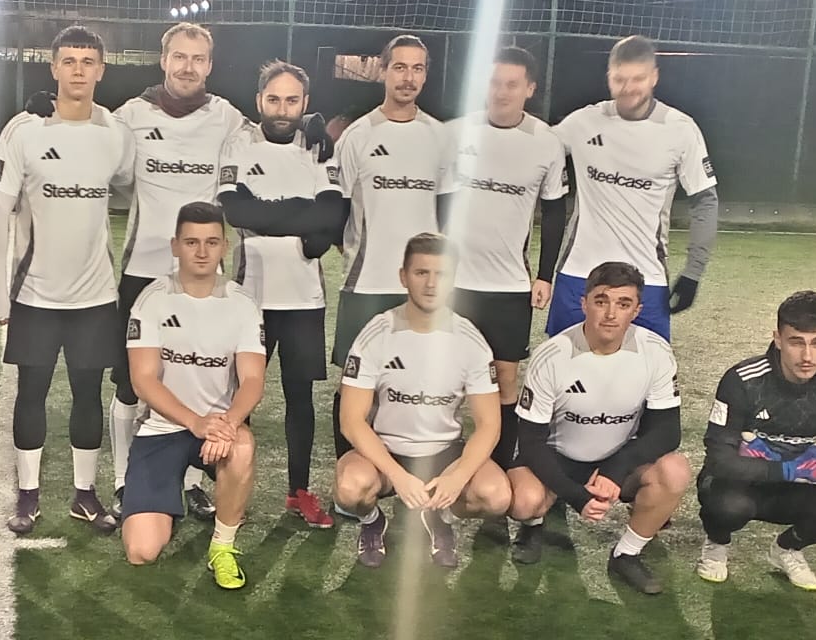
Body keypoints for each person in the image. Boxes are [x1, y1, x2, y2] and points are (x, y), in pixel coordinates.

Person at [0, 23, 137, 536]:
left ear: (101, 71)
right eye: (68, 61)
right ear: (53, 68)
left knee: (87, 395)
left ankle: (84, 495)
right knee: (31, 394)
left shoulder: (115, 133)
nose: (78, 70)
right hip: (35, 295)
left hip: (95, 296)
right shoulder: (24, 130)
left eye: (87, 62)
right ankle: (27, 496)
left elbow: (132, 182)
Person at [107, 22, 248, 513]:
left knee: (195, 381)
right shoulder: (130, 115)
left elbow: (271, 142)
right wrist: (45, 114)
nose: (188, 67)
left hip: (202, 276)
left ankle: (188, 482)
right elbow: (94, 143)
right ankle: (124, 479)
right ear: (163, 60)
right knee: (131, 383)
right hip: (144, 270)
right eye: (180, 57)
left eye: (198, 58)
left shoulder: (227, 118)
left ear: (210, 65)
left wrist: (318, 131)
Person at [437, 45, 569, 541]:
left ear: (529, 88)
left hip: (510, 286)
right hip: (456, 285)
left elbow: (554, 211)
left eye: (512, 84)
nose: (501, 92)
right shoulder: (457, 134)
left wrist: (545, 273)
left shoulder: (547, 143)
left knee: (505, 386)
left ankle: (490, 482)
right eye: (494, 82)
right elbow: (440, 204)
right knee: (447, 382)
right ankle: (441, 480)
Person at [509, 260, 692, 595]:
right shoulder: (552, 355)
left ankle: (626, 554)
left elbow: (668, 431)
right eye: (601, 300)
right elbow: (531, 441)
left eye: (623, 304)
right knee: (524, 501)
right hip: (558, 457)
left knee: (675, 471)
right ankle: (533, 525)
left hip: (617, 460)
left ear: (636, 310)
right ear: (584, 304)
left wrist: (615, 470)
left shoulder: (655, 352)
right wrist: (576, 496)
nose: (610, 314)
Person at [333, 233, 511, 570]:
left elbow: (489, 425)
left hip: (445, 453)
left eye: (441, 274)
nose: (431, 284)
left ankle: (440, 516)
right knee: (350, 488)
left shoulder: (470, 341)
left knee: (497, 496)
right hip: (386, 452)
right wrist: (397, 475)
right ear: (403, 277)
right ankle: (372, 521)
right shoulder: (377, 333)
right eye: (421, 273)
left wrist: (458, 477)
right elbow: (351, 421)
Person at [217, 59, 345, 527]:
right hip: (248, 298)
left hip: (304, 300)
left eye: (292, 100)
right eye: (273, 99)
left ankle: (299, 493)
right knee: (239, 399)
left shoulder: (317, 147)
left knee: (300, 399)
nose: (282, 109)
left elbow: (331, 215)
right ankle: (232, 488)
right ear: (259, 101)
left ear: (304, 103)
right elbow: (235, 211)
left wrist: (268, 213)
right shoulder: (239, 143)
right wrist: (300, 213)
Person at [121, 203, 267, 590]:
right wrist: (195, 422)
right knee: (141, 551)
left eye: (211, 242)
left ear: (225, 246)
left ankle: (223, 546)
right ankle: (170, 496)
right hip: (164, 428)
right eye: (191, 242)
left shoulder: (242, 304)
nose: (202, 252)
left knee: (242, 447)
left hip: (219, 429)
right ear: (175, 246)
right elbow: (143, 380)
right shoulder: (152, 300)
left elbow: (253, 379)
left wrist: (228, 424)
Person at [548, 35, 719, 342]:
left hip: (646, 279)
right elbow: (533, 152)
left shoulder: (680, 130)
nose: (628, 88)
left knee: (645, 369)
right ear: (608, 78)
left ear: (654, 77)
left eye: (638, 78)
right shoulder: (584, 122)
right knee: (564, 363)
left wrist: (693, 272)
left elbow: (705, 201)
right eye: (619, 79)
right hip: (578, 274)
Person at [697, 290, 816, 591]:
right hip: (744, 486)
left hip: (799, 489)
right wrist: (789, 468)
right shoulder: (742, 380)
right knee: (727, 506)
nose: (807, 356)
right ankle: (717, 543)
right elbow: (719, 460)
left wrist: (807, 471)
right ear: (778, 339)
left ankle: (787, 549)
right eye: (796, 342)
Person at [328, 34, 447, 462]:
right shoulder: (358, 136)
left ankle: (412, 471)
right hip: (368, 281)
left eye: (417, 68)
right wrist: (353, 249)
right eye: (399, 67)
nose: (408, 77)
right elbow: (336, 208)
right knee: (354, 384)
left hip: (423, 286)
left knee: (417, 381)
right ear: (383, 71)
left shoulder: (440, 137)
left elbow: (449, 212)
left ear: (425, 75)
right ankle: (350, 471)